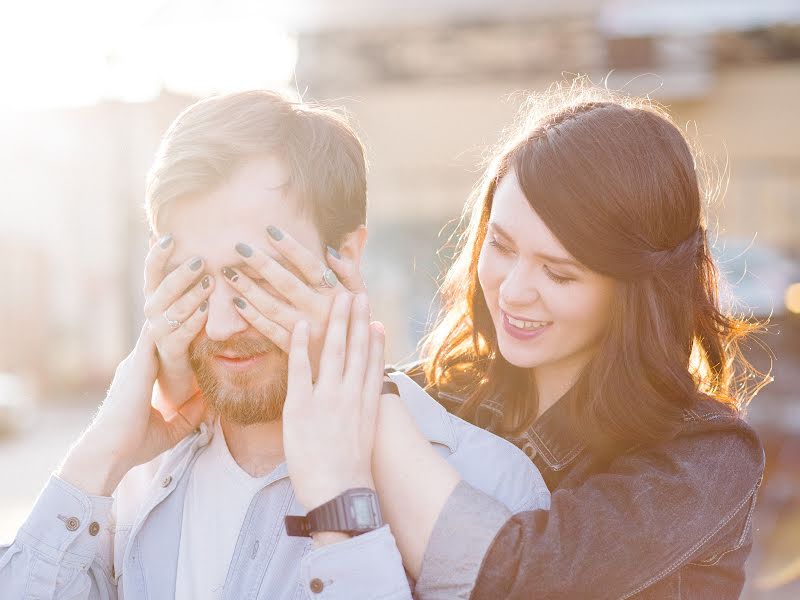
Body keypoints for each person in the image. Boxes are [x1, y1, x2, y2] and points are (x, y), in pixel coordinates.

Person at [0, 90, 549, 599]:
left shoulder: (485, 486)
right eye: (196, 280)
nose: (218, 326)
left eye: (255, 277)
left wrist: (342, 514)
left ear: (348, 258)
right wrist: (97, 457)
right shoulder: (130, 479)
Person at [253, 82, 769, 598]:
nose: (515, 291)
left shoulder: (706, 457)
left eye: (560, 273)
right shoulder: (430, 397)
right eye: (500, 246)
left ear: (635, 292)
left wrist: (365, 379)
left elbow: (515, 576)